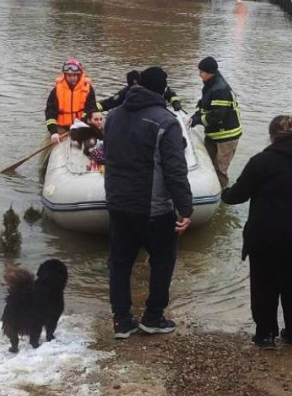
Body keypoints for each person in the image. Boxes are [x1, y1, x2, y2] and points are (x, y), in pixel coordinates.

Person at [221, 115, 292, 349]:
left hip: (268, 237)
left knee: (264, 285)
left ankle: (266, 335)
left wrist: (223, 193)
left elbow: (238, 195)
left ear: (271, 137)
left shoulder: (261, 162)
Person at [103, 66, 193, 339]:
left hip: (118, 204)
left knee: (119, 263)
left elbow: (108, 154)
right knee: (163, 260)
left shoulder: (113, 116)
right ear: (163, 89)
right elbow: (175, 170)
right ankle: (153, 316)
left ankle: (121, 320)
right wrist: (186, 208)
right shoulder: (165, 122)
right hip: (153, 209)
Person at [189, 56, 242, 188]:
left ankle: (221, 197)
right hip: (214, 134)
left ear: (210, 72)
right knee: (207, 166)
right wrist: (195, 116)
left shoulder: (220, 89)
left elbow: (217, 116)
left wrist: (197, 120)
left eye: (201, 72)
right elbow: (206, 107)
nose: (199, 74)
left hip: (226, 136)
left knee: (219, 170)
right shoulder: (211, 85)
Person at [45, 58, 97, 145]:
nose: (72, 78)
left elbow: (91, 109)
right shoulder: (56, 90)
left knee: (92, 145)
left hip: (81, 127)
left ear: (79, 75)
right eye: (69, 75)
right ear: (65, 75)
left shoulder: (87, 89)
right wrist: (53, 132)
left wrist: (80, 124)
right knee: (51, 145)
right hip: (61, 128)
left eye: (75, 75)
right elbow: (50, 113)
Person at [99, 70, 182, 112]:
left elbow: (171, 95)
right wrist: (91, 110)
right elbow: (109, 103)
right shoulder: (127, 92)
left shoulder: (158, 88)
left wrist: (176, 103)